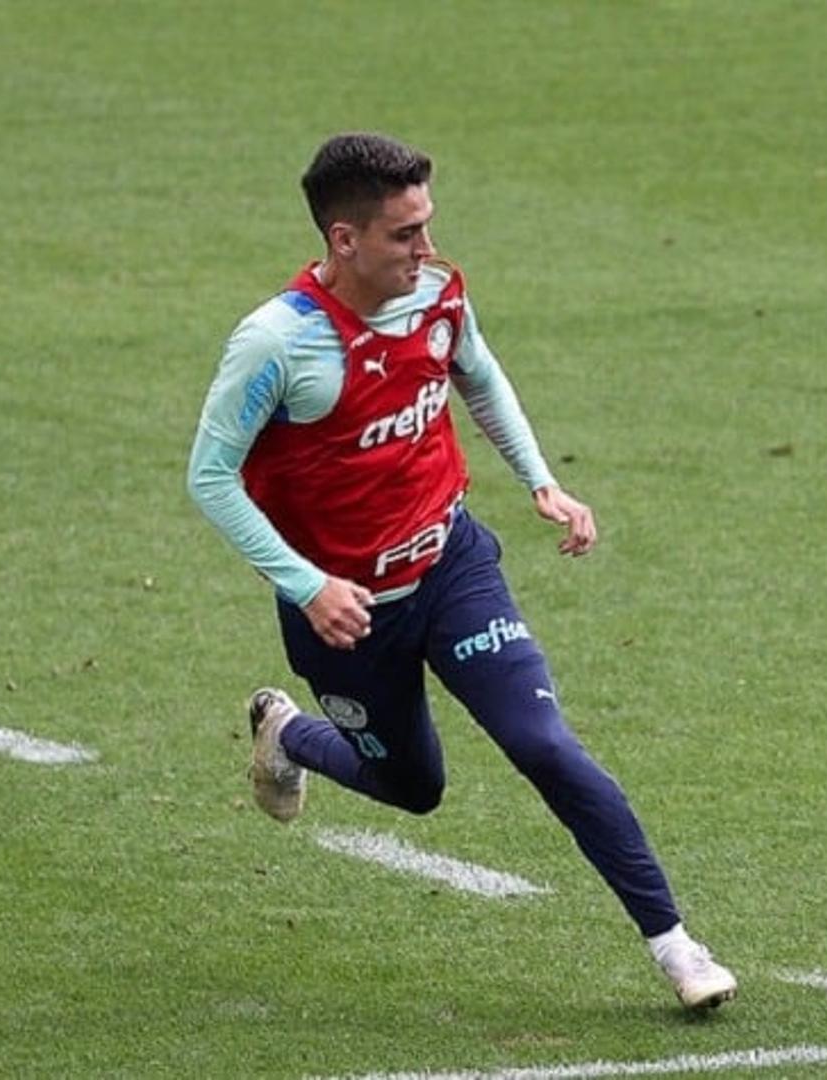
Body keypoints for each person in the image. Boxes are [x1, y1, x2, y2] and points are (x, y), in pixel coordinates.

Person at [187, 133, 736, 1010]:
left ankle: (676, 947)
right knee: (414, 787)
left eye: (428, 225)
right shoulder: (276, 345)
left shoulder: (438, 293)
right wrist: (307, 585)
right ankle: (287, 735)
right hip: (348, 613)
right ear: (345, 239)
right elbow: (208, 477)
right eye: (405, 234)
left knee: (544, 744)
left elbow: (476, 374)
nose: (427, 250)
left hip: (450, 565)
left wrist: (543, 482)